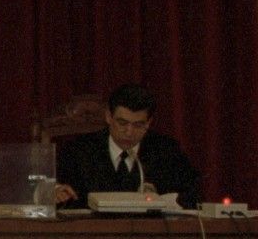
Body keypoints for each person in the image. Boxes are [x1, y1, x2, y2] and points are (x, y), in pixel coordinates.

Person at [55, 83, 200, 209]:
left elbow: (192, 196)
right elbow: (59, 195)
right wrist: (57, 193)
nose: (129, 132)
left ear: (148, 123)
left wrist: (160, 199)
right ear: (108, 117)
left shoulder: (166, 151)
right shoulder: (79, 151)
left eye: (138, 125)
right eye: (122, 123)